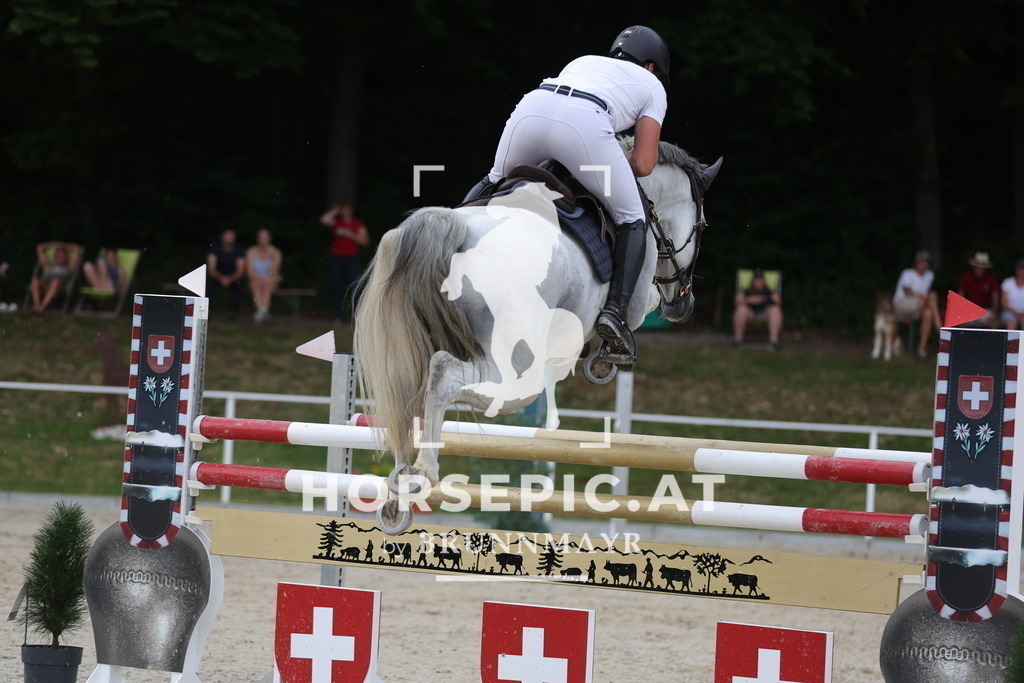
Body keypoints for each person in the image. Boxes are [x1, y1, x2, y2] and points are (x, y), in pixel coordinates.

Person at [467, 25, 671, 367]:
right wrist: (605, 159)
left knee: (493, 180)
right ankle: (615, 316)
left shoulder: (585, 61)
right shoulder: (652, 86)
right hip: (583, 123)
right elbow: (644, 164)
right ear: (651, 66)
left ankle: (447, 252)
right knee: (633, 217)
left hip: (532, 108)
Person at [321, 202, 369, 322]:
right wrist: (335, 210)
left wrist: (350, 235)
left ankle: (358, 315)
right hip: (336, 257)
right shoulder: (337, 221)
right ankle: (339, 315)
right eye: (343, 209)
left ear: (351, 209)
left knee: (356, 285)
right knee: (337, 286)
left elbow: (365, 241)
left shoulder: (357, 223)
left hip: (351, 258)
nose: (345, 211)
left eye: (347, 208)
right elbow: (323, 220)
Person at [893, 249, 941, 359]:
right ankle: (941, 331)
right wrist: (924, 298)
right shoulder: (907, 273)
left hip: (918, 307)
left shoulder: (929, 275)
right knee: (932, 297)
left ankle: (921, 348)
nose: (924, 264)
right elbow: (908, 293)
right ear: (916, 262)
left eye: (926, 262)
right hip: (902, 304)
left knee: (928, 313)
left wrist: (924, 299)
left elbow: (923, 295)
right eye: (922, 261)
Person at [731, 269, 782, 349]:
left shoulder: (769, 292)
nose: (759, 282)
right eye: (757, 280)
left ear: (764, 281)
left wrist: (763, 299)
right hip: (750, 313)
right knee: (741, 310)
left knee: (775, 310)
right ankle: (738, 339)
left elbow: (778, 302)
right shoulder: (746, 292)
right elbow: (737, 302)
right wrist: (750, 300)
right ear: (752, 281)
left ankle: (774, 341)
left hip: (765, 313)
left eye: (760, 280)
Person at [29, 241, 80, 313]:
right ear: (54, 257)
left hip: (58, 286)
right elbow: (39, 248)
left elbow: (76, 248)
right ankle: (37, 305)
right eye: (57, 255)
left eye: (62, 256)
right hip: (46, 284)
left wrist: (63, 245)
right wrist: (56, 245)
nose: (59, 258)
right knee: (35, 280)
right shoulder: (48, 266)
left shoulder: (69, 268)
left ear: (66, 258)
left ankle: (42, 306)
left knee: (55, 281)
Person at [245, 229, 282, 323]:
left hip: (270, 281)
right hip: (256, 279)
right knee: (255, 284)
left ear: (269, 238)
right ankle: (263, 312)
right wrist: (265, 278)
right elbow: (250, 272)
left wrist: (272, 256)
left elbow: (274, 273)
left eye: (265, 237)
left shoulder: (276, 252)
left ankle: (260, 313)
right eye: (261, 237)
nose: (263, 240)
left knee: (268, 286)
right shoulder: (251, 252)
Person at [207, 229, 246, 316]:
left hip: (234, 278)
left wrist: (230, 279)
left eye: (231, 237)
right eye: (227, 237)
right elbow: (211, 269)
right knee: (208, 285)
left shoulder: (239, 250)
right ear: (222, 237)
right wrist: (221, 278)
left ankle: (234, 312)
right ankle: (208, 310)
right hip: (217, 277)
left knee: (239, 286)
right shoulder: (214, 248)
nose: (229, 240)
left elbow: (240, 270)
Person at [956, 251, 999, 328]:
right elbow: (960, 295)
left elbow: (995, 296)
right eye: (978, 267)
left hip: (985, 311)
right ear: (974, 267)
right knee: (960, 322)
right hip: (969, 310)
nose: (980, 269)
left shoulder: (991, 277)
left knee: (994, 323)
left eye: (982, 267)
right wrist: (961, 311)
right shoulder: (966, 276)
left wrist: (995, 313)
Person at [1000, 260, 1024, 330]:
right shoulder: (1007, 282)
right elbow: (1003, 304)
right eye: (1020, 269)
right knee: (1011, 323)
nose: (1022, 271)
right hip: (1009, 312)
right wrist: (1015, 313)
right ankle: (1011, 338)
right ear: (1016, 270)